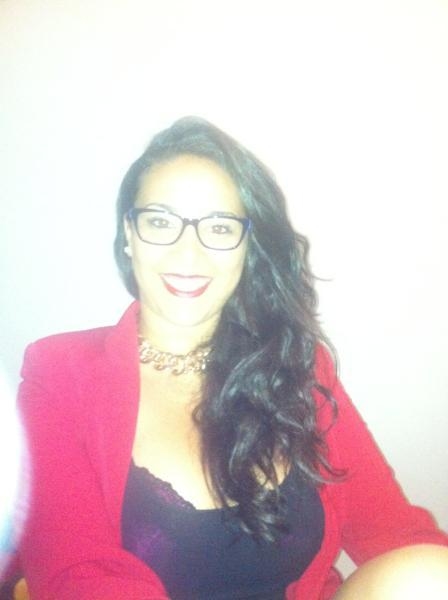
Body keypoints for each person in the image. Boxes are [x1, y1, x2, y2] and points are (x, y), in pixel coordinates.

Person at [9, 117, 448, 599]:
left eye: (219, 227)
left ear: (247, 246)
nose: (189, 253)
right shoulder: (58, 371)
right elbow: (78, 573)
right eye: (160, 222)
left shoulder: (298, 366)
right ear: (128, 234)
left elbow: (393, 532)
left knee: (429, 574)